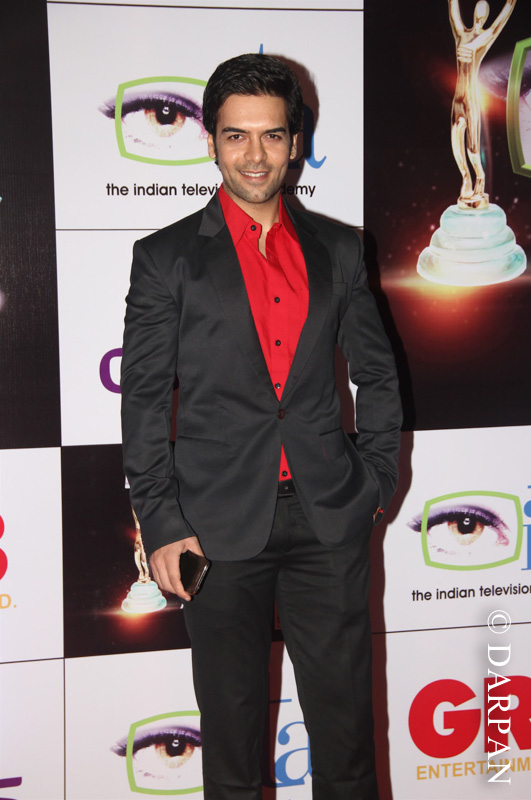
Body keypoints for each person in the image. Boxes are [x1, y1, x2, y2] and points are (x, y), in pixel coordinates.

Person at [121, 53, 402, 800]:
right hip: (213, 532)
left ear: (295, 141)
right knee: (235, 753)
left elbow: (377, 375)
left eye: (272, 135)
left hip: (328, 520)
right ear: (211, 140)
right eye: (236, 135)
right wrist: (162, 521)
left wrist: (375, 482)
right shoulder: (165, 259)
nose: (254, 155)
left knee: (347, 745)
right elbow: (142, 401)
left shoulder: (340, 249)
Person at [449, 0, 517, 207]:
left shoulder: (486, 37)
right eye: (478, 11)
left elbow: (500, 23)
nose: (480, 16)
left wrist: (510, 3)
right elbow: (453, 11)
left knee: (472, 149)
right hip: (457, 100)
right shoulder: (461, 34)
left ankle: (480, 176)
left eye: (484, 12)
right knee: (456, 146)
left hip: (471, 101)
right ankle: (466, 178)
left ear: (486, 16)